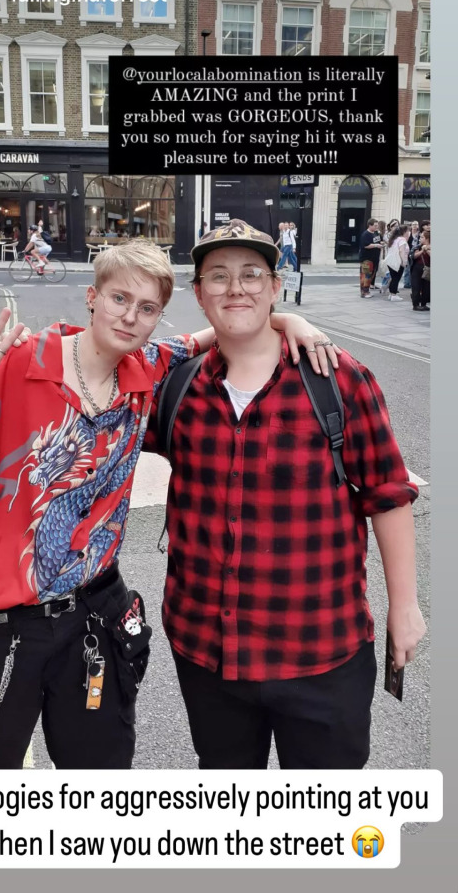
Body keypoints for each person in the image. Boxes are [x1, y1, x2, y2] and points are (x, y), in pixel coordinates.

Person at [0, 239, 335, 770]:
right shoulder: (18, 363)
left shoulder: (145, 368)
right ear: (92, 297)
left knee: (101, 777)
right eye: (119, 299)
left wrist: (286, 320)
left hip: (93, 617)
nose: (130, 317)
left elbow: (213, 333)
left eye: (147, 308)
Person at [144, 218, 426, 770]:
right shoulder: (176, 387)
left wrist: (406, 607)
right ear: (198, 294)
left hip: (320, 650)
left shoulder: (337, 380)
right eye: (218, 277)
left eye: (252, 275)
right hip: (207, 650)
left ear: (276, 286)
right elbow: (106, 365)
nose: (236, 288)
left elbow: (388, 495)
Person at [358, 218, 383, 298]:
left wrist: (381, 244)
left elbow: (379, 241)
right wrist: (376, 245)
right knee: (366, 275)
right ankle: (364, 292)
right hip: (366, 258)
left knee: (371, 275)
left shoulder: (376, 233)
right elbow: (365, 245)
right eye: (375, 226)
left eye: (377, 225)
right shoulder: (365, 234)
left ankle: (367, 290)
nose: (376, 227)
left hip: (375, 258)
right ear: (370, 225)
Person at [386, 225, 411, 302]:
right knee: (396, 278)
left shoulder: (394, 239)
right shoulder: (402, 240)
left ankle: (391, 294)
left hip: (391, 261)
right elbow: (401, 251)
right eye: (408, 231)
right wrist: (404, 261)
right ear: (404, 232)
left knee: (393, 278)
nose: (408, 232)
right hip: (398, 261)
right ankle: (394, 295)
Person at [410, 225, 431, 312]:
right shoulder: (418, 247)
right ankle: (415, 305)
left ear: (427, 239)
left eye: (422, 237)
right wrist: (422, 250)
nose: (420, 239)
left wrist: (427, 249)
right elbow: (413, 256)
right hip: (417, 268)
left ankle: (423, 304)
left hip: (427, 269)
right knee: (416, 286)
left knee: (426, 287)